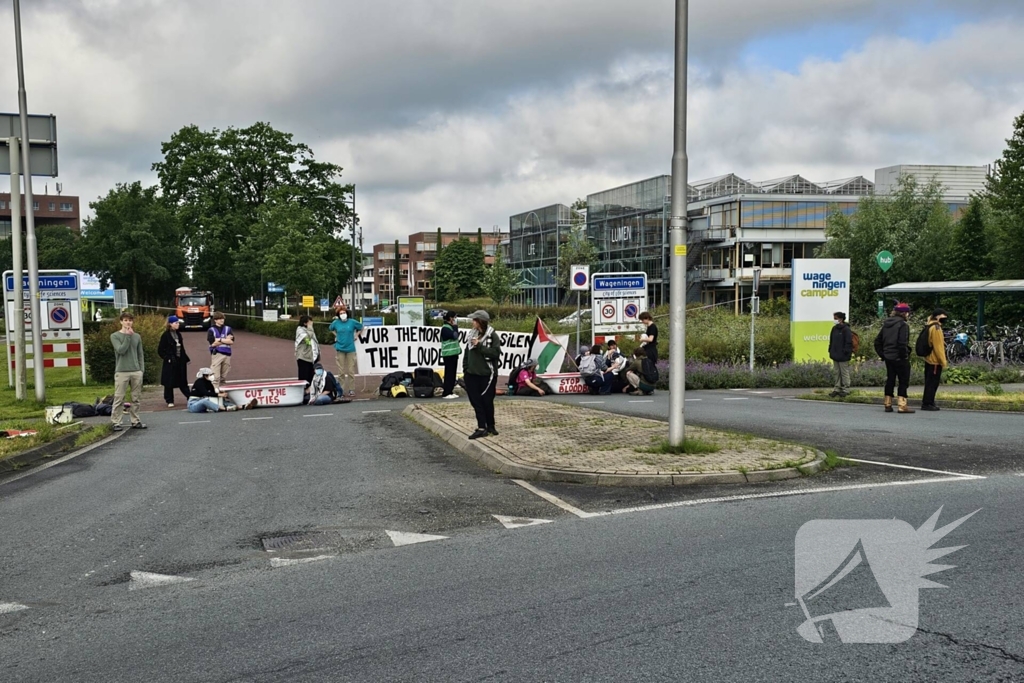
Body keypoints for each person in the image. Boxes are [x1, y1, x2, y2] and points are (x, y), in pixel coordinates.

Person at [463, 310, 501, 439]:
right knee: (476, 401)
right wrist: (465, 369)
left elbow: (495, 353)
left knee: (487, 401)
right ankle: (481, 426)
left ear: (480, 321)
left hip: (487, 374)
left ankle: (490, 425)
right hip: (471, 374)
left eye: (474, 320)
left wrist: (480, 346)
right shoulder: (471, 334)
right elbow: (467, 353)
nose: (472, 322)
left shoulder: (492, 336)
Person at [874, 303, 914, 414]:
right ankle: (902, 405)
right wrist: (904, 355)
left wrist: (883, 355)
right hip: (899, 357)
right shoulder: (903, 325)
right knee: (903, 380)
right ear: (904, 313)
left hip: (888, 357)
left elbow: (877, 342)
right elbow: (902, 343)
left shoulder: (886, 324)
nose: (908, 315)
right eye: (908, 313)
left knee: (890, 380)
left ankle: (887, 404)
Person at [110, 311, 146, 431]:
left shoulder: (137, 336)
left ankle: (135, 421)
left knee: (136, 398)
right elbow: (121, 350)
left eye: (130, 320)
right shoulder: (115, 336)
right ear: (121, 322)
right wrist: (127, 336)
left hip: (136, 371)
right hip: (122, 371)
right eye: (125, 320)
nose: (128, 322)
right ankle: (116, 422)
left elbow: (140, 354)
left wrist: (141, 370)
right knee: (119, 397)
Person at [328, 305, 363, 398]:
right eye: (340, 313)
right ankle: (341, 390)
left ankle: (351, 389)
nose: (342, 314)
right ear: (338, 315)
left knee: (351, 370)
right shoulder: (336, 323)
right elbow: (330, 328)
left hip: (351, 348)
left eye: (344, 313)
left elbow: (361, 327)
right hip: (340, 348)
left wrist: (356, 335)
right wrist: (336, 335)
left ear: (347, 313)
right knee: (341, 371)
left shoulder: (352, 322)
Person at [187, 368, 258, 413]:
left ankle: (241, 406)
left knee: (220, 399)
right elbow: (205, 392)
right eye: (210, 374)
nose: (212, 376)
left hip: (202, 402)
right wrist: (219, 394)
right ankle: (223, 409)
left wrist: (221, 394)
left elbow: (213, 392)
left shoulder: (208, 382)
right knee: (205, 401)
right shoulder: (199, 382)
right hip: (193, 405)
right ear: (205, 376)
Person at [158, 315, 191, 407]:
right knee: (169, 381)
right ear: (170, 324)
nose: (178, 324)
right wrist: (167, 358)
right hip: (170, 361)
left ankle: (189, 396)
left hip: (180, 360)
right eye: (176, 323)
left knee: (183, 380)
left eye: (178, 323)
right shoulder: (165, 335)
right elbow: (160, 350)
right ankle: (169, 400)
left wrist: (185, 358)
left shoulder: (178, 334)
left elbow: (182, 347)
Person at [921, 308, 949, 411]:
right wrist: (943, 361)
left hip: (929, 359)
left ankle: (928, 402)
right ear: (937, 317)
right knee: (932, 383)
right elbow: (938, 347)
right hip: (935, 360)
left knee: (929, 381)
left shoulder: (929, 325)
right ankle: (928, 403)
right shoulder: (936, 328)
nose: (944, 319)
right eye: (943, 317)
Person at [828, 312, 854, 398]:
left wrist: (846, 352)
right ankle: (837, 388)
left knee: (844, 372)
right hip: (835, 354)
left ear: (841, 319)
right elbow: (831, 341)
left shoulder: (846, 329)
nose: (834, 320)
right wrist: (830, 350)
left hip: (843, 355)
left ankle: (846, 389)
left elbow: (848, 342)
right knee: (837, 372)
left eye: (835, 318)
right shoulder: (834, 329)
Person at [295, 315, 320, 402]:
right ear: (305, 323)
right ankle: (301, 395)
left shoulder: (310, 330)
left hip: (311, 357)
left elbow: (314, 341)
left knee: (311, 376)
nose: (311, 323)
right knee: (303, 377)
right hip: (303, 357)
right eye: (309, 322)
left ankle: (310, 394)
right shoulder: (300, 330)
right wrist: (310, 328)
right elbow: (307, 338)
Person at [207, 312, 235, 390]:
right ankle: (214, 393)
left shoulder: (228, 328)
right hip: (217, 354)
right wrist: (226, 339)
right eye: (220, 319)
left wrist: (219, 339)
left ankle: (223, 393)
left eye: (222, 318)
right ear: (215, 320)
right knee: (215, 377)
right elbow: (212, 343)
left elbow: (231, 341)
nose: (222, 320)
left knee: (223, 377)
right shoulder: (211, 330)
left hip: (227, 354)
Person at [440, 311, 461, 399]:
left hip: (453, 354)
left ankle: (450, 391)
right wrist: (455, 326)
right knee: (449, 374)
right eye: (454, 317)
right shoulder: (445, 328)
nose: (455, 319)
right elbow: (455, 335)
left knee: (452, 373)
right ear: (451, 318)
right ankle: (446, 392)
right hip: (448, 354)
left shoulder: (450, 327)